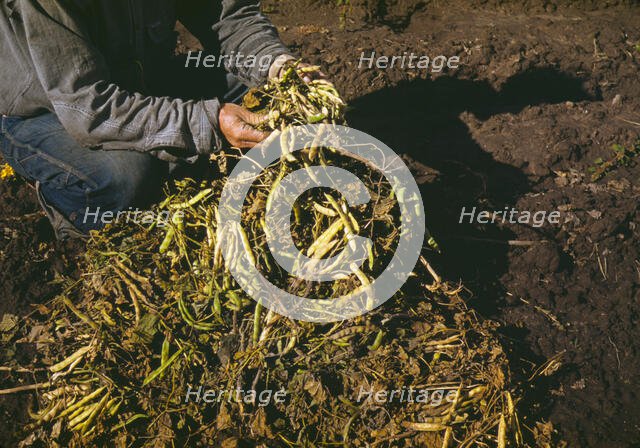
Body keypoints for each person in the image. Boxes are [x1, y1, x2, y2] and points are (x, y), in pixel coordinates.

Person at [0, 0, 325, 239]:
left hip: (140, 83)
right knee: (126, 176)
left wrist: (279, 68)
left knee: (261, 87)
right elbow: (88, 106)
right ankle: (70, 203)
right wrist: (208, 121)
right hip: (50, 112)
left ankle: (171, 149)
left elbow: (230, 18)